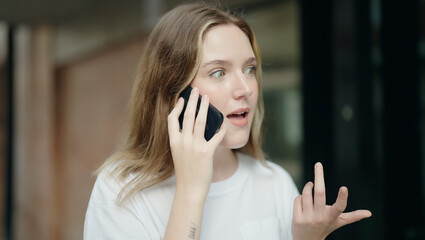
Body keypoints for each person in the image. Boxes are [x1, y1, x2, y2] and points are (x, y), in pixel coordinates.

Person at [84, 3, 371, 240]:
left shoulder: (274, 183)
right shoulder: (120, 191)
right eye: (219, 72)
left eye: (249, 69)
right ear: (174, 94)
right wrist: (192, 189)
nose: (245, 88)